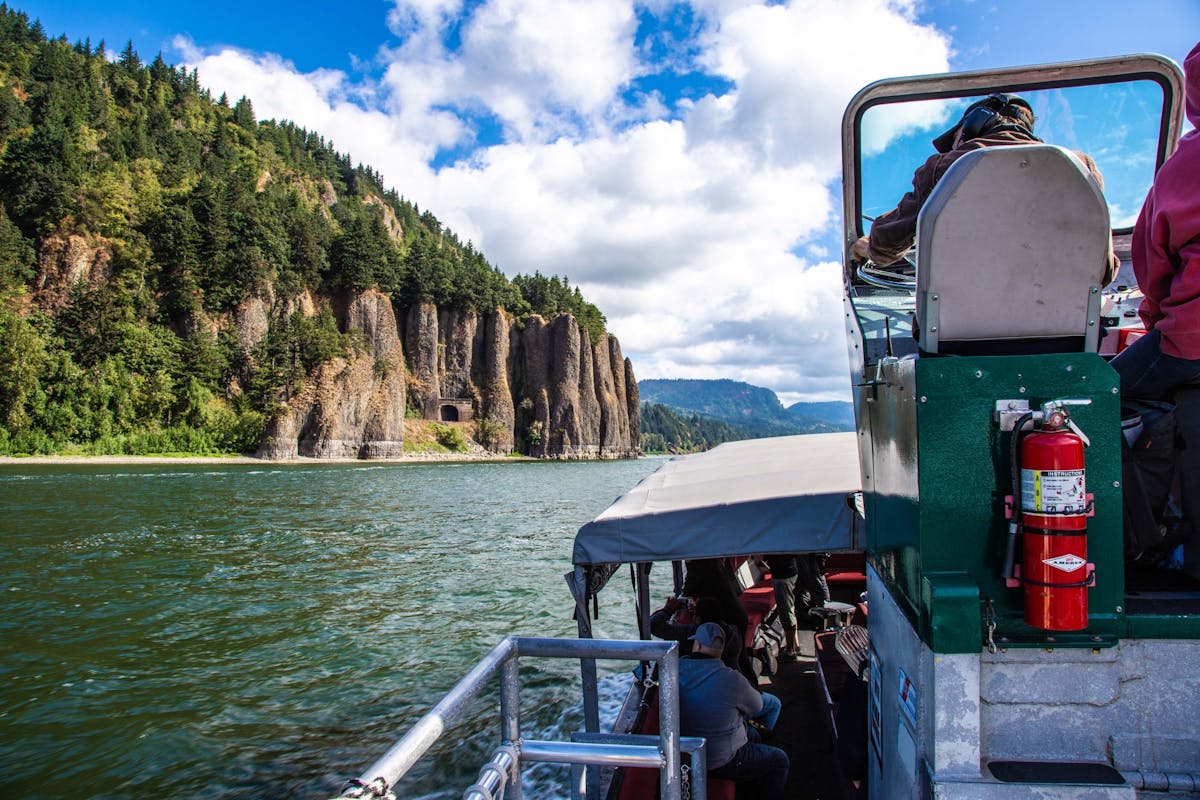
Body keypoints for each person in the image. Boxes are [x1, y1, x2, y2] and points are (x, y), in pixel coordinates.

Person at [852, 92, 1117, 286]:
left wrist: (868, 247)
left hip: (954, 339)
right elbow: (1103, 270)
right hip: (1065, 335)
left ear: (971, 128)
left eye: (955, 139)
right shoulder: (1080, 167)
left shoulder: (945, 166)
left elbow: (887, 245)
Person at [1111, 41, 1200, 578]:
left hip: (1192, 337)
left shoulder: (1185, 165)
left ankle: (1150, 535)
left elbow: (1152, 262)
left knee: (1103, 397)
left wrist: (1162, 323)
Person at [677, 623, 789, 798]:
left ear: (697, 645)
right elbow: (758, 706)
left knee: (754, 734)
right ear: (721, 650)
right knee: (780, 760)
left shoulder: (675, 669)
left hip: (688, 756)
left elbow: (642, 672)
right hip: (722, 760)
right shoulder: (732, 679)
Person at [649, 594, 744, 672]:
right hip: (731, 675)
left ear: (698, 619)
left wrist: (667, 610)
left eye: (694, 613)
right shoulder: (734, 632)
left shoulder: (691, 635)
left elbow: (653, 625)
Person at [765, 554, 801, 658]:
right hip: (789, 571)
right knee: (790, 608)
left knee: (786, 612)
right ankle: (796, 645)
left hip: (782, 576)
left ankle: (790, 650)